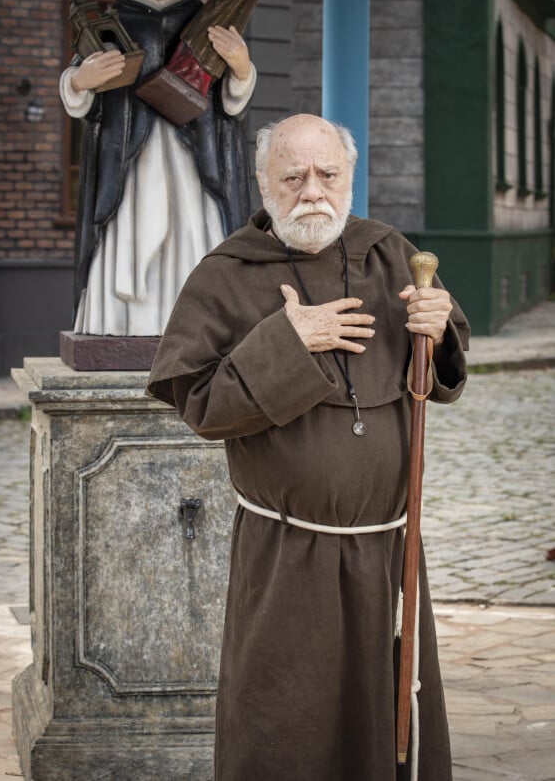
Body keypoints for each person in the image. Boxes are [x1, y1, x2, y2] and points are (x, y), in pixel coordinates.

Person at [147, 114, 470, 780]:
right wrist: (287, 341)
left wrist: (438, 329)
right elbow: (202, 408)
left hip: (388, 547)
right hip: (287, 552)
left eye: (328, 175)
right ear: (264, 184)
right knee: (283, 717)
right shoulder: (225, 274)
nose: (313, 191)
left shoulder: (390, 253)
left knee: (388, 708)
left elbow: (440, 370)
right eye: (293, 177)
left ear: (349, 178)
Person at [60, 0, 256, 336]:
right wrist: (81, 81)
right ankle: (124, 328)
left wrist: (241, 67)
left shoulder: (206, 18)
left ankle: (191, 330)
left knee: (191, 233)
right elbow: (80, 86)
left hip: (191, 154)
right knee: (133, 233)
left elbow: (229, 101)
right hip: (132, 156)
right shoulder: (117, 18)